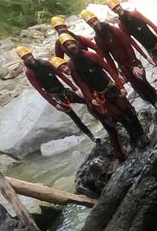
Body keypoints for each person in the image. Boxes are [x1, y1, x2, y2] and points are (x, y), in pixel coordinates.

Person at [60, 34, 148, 162]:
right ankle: (134, 136)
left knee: (127, 110)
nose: (71, 46)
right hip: (99, 94)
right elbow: (82, 84)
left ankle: (141, 133)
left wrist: (120, 85)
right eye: (67, 45)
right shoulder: (72, 66)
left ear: (76, 43)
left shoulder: (91, 56)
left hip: (110, 87)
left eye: (72, 43)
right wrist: (91, 99)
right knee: (118, 115)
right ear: (65, 50)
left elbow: (109, 69)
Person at [81, 9, 157, 110]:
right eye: (90, 23)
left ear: (97, 20)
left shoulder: (113, 30)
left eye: (94, 21)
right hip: (122, 66)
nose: (93, 24)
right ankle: (154, 102)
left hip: (131, 61)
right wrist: (116, 74)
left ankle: (156, 99)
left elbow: (128, 46)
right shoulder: (98, 39)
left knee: (142, 81)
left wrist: (134, 64)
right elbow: (108, 57)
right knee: (136, 87)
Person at [13, 47, 98, 142]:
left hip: (63, 90)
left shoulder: (45, 63)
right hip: (55, 96)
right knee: (75, 118)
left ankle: (103, 119)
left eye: (28, 55)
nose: (28, 58)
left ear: (31, 54)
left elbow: (60, 74)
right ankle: (92, 137)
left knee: (88, 101)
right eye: (25, 57)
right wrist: (55, 104)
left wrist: (74, 88)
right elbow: (40, 90)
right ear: (23, 60)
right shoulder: (29, 72)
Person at [107, 0, 157, 86]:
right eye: (114, 9)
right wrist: (146, 57)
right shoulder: (122, 25)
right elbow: (132, 43)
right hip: (151, 51)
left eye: (117, 6)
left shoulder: (135, 14)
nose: (117, 9)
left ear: (120, 5)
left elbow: (151, 25)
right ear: (113, 11)